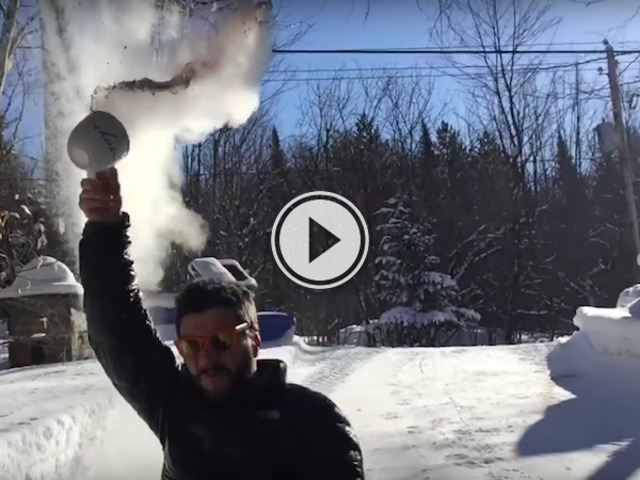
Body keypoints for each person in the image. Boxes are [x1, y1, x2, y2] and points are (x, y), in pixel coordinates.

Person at [78, 167, 365, 480]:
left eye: (222, 341)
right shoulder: (176, 408)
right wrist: (104, 230)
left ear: (254, 341)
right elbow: (117, 329)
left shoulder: (316, 422)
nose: (206, 358)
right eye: (192, 346)